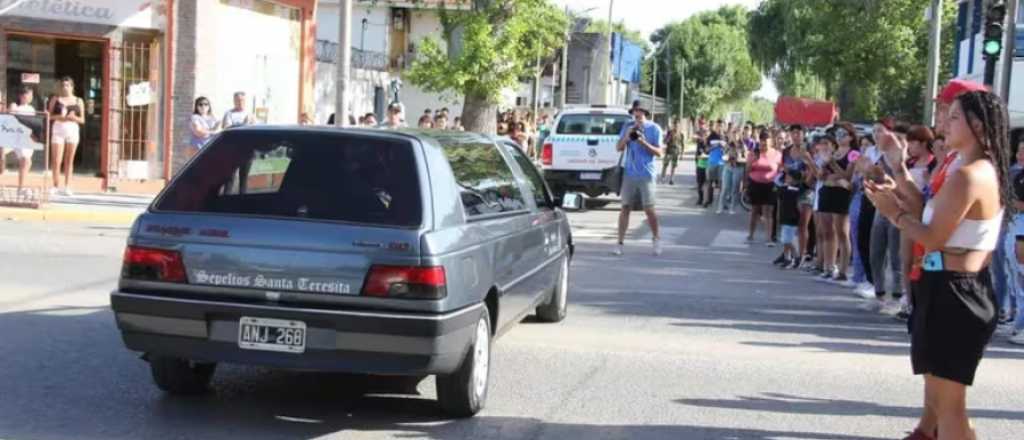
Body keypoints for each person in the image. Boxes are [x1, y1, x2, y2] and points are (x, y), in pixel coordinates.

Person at [865, 90, 1008, 440]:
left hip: (956, 291)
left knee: (950, 407)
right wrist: (898, 171)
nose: (945, 122)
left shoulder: (970, 174)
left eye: (954, 116)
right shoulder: (965, 167)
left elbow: (931, 236)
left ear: (977, 125)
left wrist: (891, 211)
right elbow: (926, 211)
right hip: (950, 287)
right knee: (942, 400)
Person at [807, 129, 856, 285]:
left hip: (840, 194)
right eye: (838, 134)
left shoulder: (853, 153)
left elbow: (848, 176)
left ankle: (842, 270)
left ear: (850, 137)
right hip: (826, 191)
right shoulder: (832, 153)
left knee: (841, 232)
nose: (840, 137)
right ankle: (828, 267)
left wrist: (832, 166)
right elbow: (821, 176)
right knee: (827, 231)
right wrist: (824, 168)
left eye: (844, 134)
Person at [613, 108, 664, 257]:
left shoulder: (654, 129)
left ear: (645, 115)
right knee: (625, 207)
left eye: (639, 116)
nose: (637, 119)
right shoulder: (627, 127)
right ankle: (620, 243)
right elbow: (618, 147)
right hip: (629, 173)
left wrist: (643, 142)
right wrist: (627, 137)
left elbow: (659, 152)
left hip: (647, 174)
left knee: (649, 209)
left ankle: (656, 239)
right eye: (635, 116)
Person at [47, 76, 85, 196]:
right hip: (58, 128)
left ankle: (68, 185)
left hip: (72, 129)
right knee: (56, 160)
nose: (65, 87)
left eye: (67, 85)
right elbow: (49, 115)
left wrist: (74, 118)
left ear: (72, 87)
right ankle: (55, 185)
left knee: (69, 160)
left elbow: (82, 120)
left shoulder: (78, 101)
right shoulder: (56, 99)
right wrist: (60, 117)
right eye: (63, 85)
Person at [747, 129, 782, 245]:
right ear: (759, 141)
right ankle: (751, 234)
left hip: (770, 185)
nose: (764, 144)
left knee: (769, 212)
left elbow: (781, 170)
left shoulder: (777, 154)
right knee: (755, 211)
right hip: (755, 184)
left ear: (771, 141)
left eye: (767, 141)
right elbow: (747, 170)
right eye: (762, 141)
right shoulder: (754, 152)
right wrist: (752, 161)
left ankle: (768, 238)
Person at [3, 86, 38, 196]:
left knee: (27, 162)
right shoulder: (15, 106)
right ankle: (21, 187)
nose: (31, 97)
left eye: (31, 95)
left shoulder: (32, 109)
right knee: (25, 160)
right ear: (22, 96)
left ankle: (20, 187)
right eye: (29, 94)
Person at [777, 170, 804, 268]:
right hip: (785, 215)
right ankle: (788, 257)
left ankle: (795, 256)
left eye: (789, 177)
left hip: (792, 216)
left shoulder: (796, 189)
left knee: (786, 239)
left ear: (795, 179)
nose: (786, 179)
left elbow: (799, 204)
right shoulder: (784, 189)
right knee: (786, 239)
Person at [718, 128, 746, 214]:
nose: (734, 136)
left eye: (736, 134)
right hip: (728, 166)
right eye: (733, 134)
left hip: (738, 168)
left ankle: (732, 207)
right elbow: (723, 154)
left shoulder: (742, 145)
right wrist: (726, 156)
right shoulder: (728, 145)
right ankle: (720, 207)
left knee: (735, 189)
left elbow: (745, 157)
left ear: (739, 135)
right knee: (725, 187)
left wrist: (739, 157)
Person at [704, 120, 726, 208]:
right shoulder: (711, 136)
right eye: (718, 126)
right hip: (712, 162)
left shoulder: (725, 137)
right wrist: (716, 146)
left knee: (721, 183)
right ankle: (708, 200)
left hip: (722, 162)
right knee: (709, 182)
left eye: (721, 126)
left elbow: (728, 149)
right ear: (716, 126)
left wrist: (724, 147)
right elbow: (706, 149)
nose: (719, 128)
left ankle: (721, 202)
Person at [694, 118, 710, 206]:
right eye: (700, 123)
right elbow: (694, 137)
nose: (704, 134)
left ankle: (706, 201)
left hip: (708, 164)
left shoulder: (710, 141)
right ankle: (700, 199)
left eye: (706, 133)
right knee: (699, 183)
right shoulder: (699, 138)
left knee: (707, 183)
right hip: (700, 163)